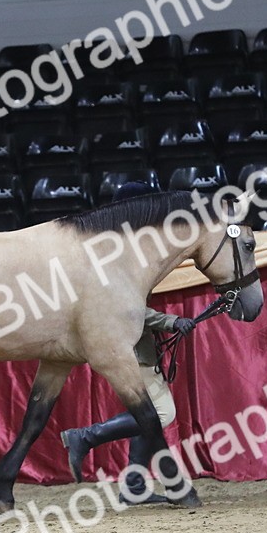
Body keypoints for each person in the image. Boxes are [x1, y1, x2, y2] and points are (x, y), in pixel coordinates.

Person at [60, 181, 197, 504]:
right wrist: (171, 321)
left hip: (135, 344)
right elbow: (126, 308)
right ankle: (86, 437)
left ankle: (135, 486)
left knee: (148, 415)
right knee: (161, 413)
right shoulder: (118, 257)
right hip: (129, 346)